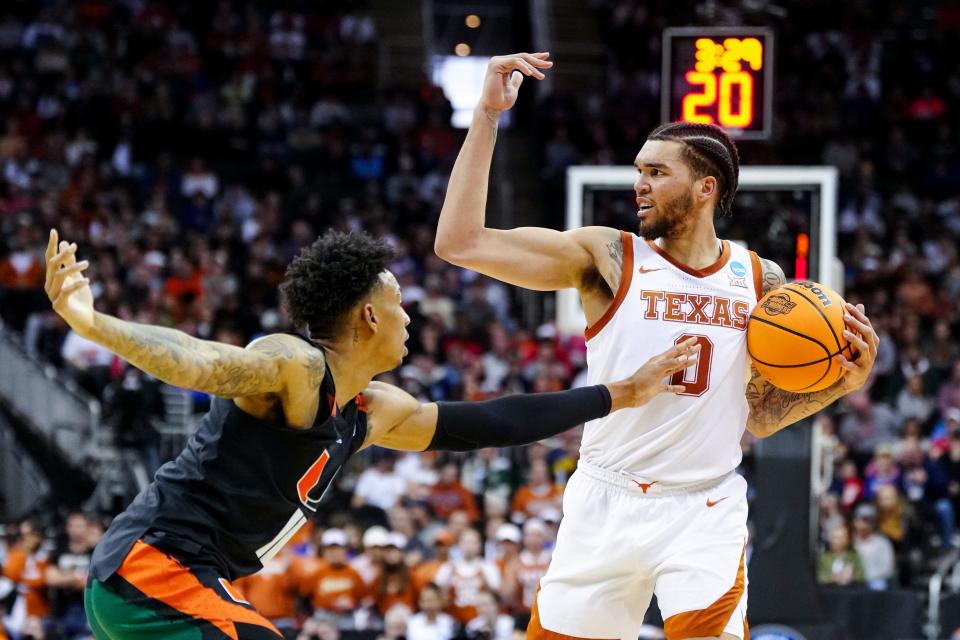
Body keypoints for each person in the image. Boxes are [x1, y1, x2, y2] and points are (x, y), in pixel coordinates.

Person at [43, 227, 700, 640]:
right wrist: (91, 322)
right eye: (396, 302)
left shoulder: (372, 410)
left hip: (166, 584)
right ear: (366, 316)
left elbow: (492, 422)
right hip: (151, 569)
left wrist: (620, 393)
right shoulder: (297, 367)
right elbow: (200, 359)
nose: (408, 314)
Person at [435, 52, 881, 640]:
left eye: (655, 172)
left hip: (705, 507)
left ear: (705, 187)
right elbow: (460, 243)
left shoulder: (761, 282)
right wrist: (487, 118)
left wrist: (840, 385)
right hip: (606, 497)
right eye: (637, 170)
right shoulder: (608, 256)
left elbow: (765, 418)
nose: (638, 185)